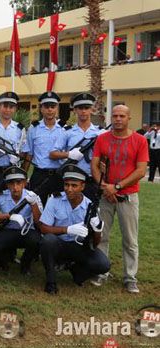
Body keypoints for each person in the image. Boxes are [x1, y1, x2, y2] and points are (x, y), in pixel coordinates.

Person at [91, 105, 149, 293]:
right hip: (105, 196)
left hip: (128, 197)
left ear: (129, 118)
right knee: (101, 236)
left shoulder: (139, 140)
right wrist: (105, 188)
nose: (117, 119)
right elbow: (94, 165)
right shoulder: (102, 138)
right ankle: (101, 272)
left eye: (121, 116)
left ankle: (130, 277)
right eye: (114, 115)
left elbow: (141, 170)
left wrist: (116, 187)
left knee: (130, 240)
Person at [39, 165, 111, 294]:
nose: (69, 189)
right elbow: (43, 228)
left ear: (82, 186)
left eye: (74, 185)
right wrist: (67, 230)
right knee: (48, 241)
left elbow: (94, 244)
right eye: (66, 185)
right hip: (58, 244)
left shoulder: (90, 206)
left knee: (103, 264)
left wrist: (97, 230)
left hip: (78, 247)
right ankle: (51, 281)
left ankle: (73, 267)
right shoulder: (54, 200)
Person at [0, 166, 42, 274]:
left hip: (27, 231)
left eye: (18, 183)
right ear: (7, 184)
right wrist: (7, 216)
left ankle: (25, 264)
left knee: (36, 241)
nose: (15, 187)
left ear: (24, 183)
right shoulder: (0, 195)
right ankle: (4, 262)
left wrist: (33, 204)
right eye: (11, 183)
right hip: (7, 230)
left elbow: (39, 222)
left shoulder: (32, 196)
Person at [50, 93, 103, 198]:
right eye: (80, 108)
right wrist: (68, 154)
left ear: (91, 110)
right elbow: (52, 154)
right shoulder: (67, 132)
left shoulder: (100, 132)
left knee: (92, 212)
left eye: (87, 108)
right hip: (73, 180)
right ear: (74, 110)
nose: (83, 111)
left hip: (92, 179)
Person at [21, 91, 66, 205]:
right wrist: (23, 177)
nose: (49, 110)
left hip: (58, 175)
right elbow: (29, 154)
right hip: (39, 175)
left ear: (57, 108)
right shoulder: (34, 128)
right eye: (46, 106)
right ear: (41, 109)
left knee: (59, 208)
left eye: (52, 106)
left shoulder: (64, 129)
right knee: (37, 207)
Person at [0, 92, 23, 193]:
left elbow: (22, 149)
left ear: (15, 109)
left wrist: (17, 158)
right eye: (5, 106)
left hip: (11, 170)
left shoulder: (19, 129)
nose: (8, 110)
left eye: (11, 107)